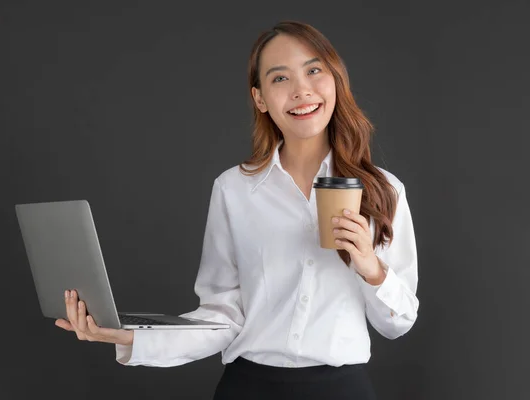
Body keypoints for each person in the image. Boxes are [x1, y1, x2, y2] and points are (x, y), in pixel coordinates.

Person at [55, 20, 419, 400]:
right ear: (260, 99)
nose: (301, 90)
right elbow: (222, 318)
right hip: (248, 388)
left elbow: (400, 322)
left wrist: (371, 268)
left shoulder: (384, 190)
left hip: (342, 390)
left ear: (335, 81)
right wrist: (129, 337)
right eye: (280, 79)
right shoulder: (234, 189)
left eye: (314, 70)